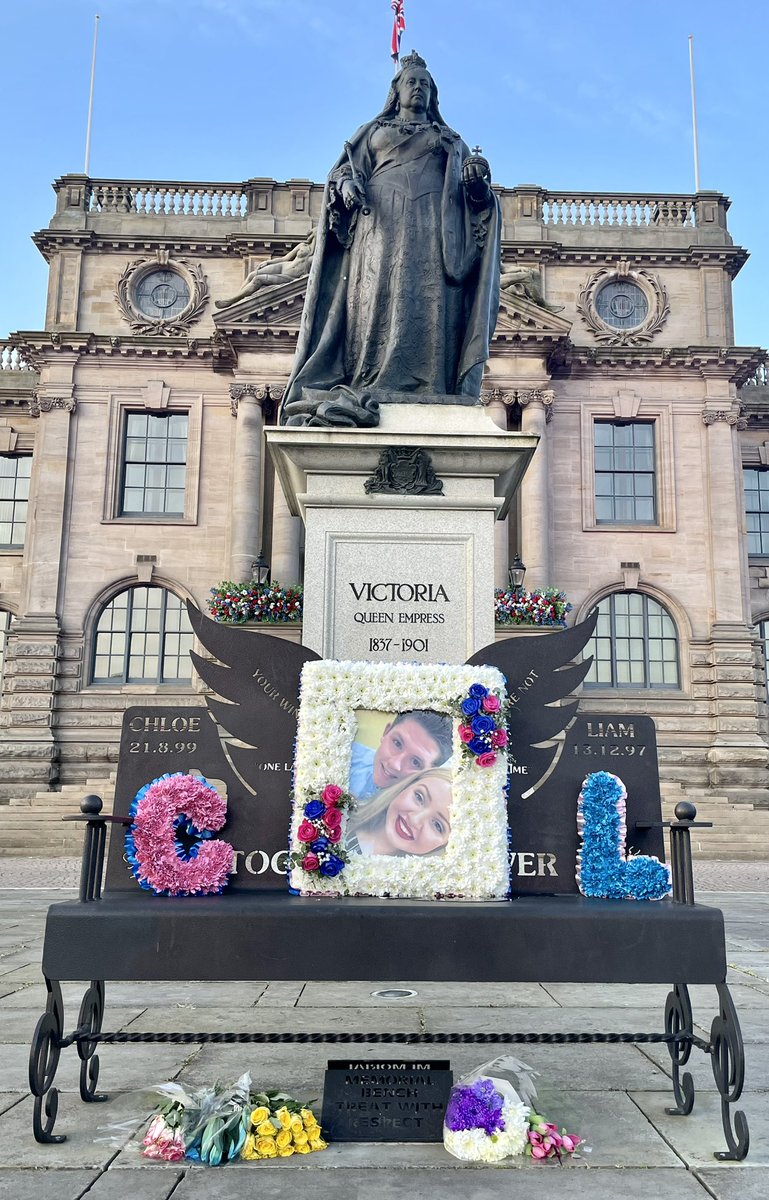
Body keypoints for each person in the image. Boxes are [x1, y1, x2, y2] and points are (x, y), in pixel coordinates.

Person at [280, 51, 501, 428]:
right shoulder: (371, 133)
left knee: (428, 300)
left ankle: (431, 381)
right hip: (378, 226)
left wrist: (478, 185)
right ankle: (368, 377)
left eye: (425, 85)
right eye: (411, 82)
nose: (418, 88)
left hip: (432, 232)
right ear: (396, 91)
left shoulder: (449, 140)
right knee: (374, 300)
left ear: (434, 96)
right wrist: (348, 185)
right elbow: (342, 173)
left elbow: (474, 201)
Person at [348, 710, 453, 802]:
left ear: (429, 772)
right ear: (386, 732)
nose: (395, 764)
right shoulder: (346, 754)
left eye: (415, 762)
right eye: (397, 743)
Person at [347, 768, 453, 857]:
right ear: (406, 786)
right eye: (419, 797)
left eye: (438, 825)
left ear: (445, 844)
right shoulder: (341, 811)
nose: (414, 820)